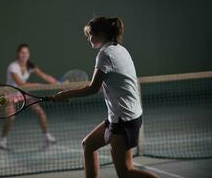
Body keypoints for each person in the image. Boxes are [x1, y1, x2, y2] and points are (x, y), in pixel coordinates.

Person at [51, 17, 157, 178]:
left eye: (90, 34)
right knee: (88, 145)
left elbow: (93, 88)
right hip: (121, 116)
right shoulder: (120, 49)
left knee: (125, 172)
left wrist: (65, 94)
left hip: (124, 119)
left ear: (100, 34)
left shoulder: (105, 54)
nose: (88, 38)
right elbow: (105, 84)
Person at [0, 43, 57, 149]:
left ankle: (47, 135)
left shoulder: (30, 66)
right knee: (11, 117)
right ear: (18, 54)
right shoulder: (13, 66)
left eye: (26, 52)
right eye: (22, 52)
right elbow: (21, 83)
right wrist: (38, 85)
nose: (24, 55)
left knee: (40, 112)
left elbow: (44, 76)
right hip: (10, 94)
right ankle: (3, 140)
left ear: (28, 54)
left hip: (22, 93)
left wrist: (58, 83)